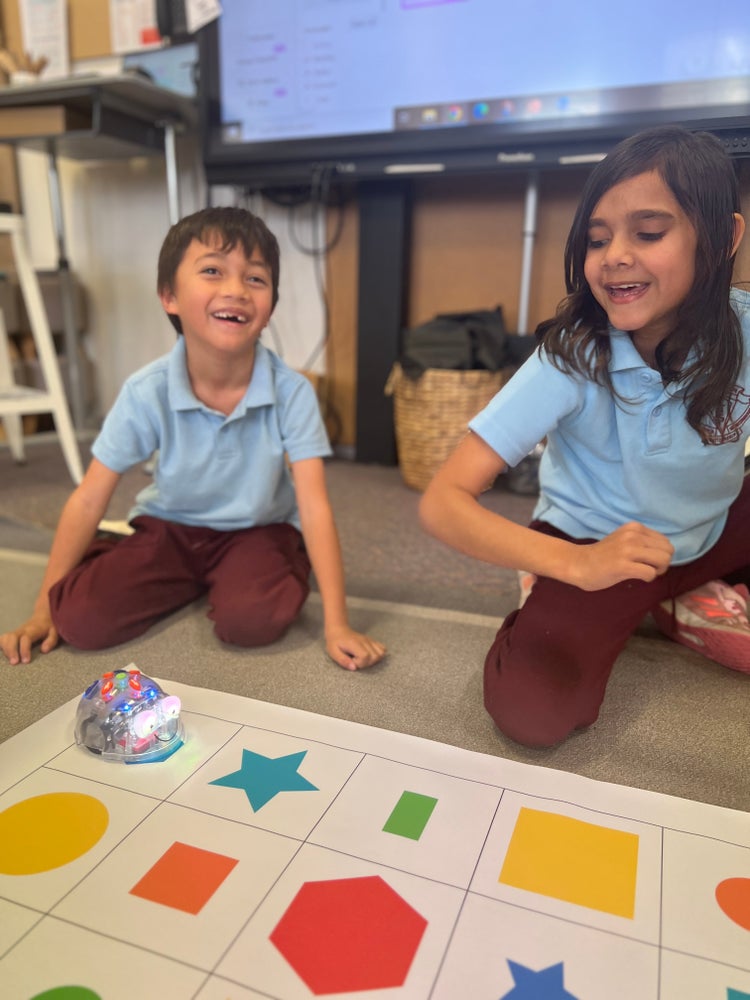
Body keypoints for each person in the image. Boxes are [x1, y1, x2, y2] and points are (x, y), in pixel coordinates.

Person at [419, 125, 750, 748]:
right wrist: (576, 564)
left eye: (648, 233)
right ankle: (634, 595)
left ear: (724, 238)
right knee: (530, 713)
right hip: (598, 548)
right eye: (597, 239)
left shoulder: (745, 327)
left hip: (711, 527)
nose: (614, 256)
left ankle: (686, 595)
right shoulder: (569, 358)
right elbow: (443, 503)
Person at [1, 207, 386, 671]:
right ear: (169, 296)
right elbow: (87, 500)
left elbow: (315, 506)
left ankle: (256, 568)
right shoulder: (147, 390)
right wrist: (44, 608)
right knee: (80, 621)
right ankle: (129, 556)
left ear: (270, 309)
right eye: (212, 271)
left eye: (256, 279)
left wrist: (337, 624)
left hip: (258, 528)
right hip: (170, 526)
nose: (236, 290)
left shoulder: (293, 391)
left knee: (252, 623)